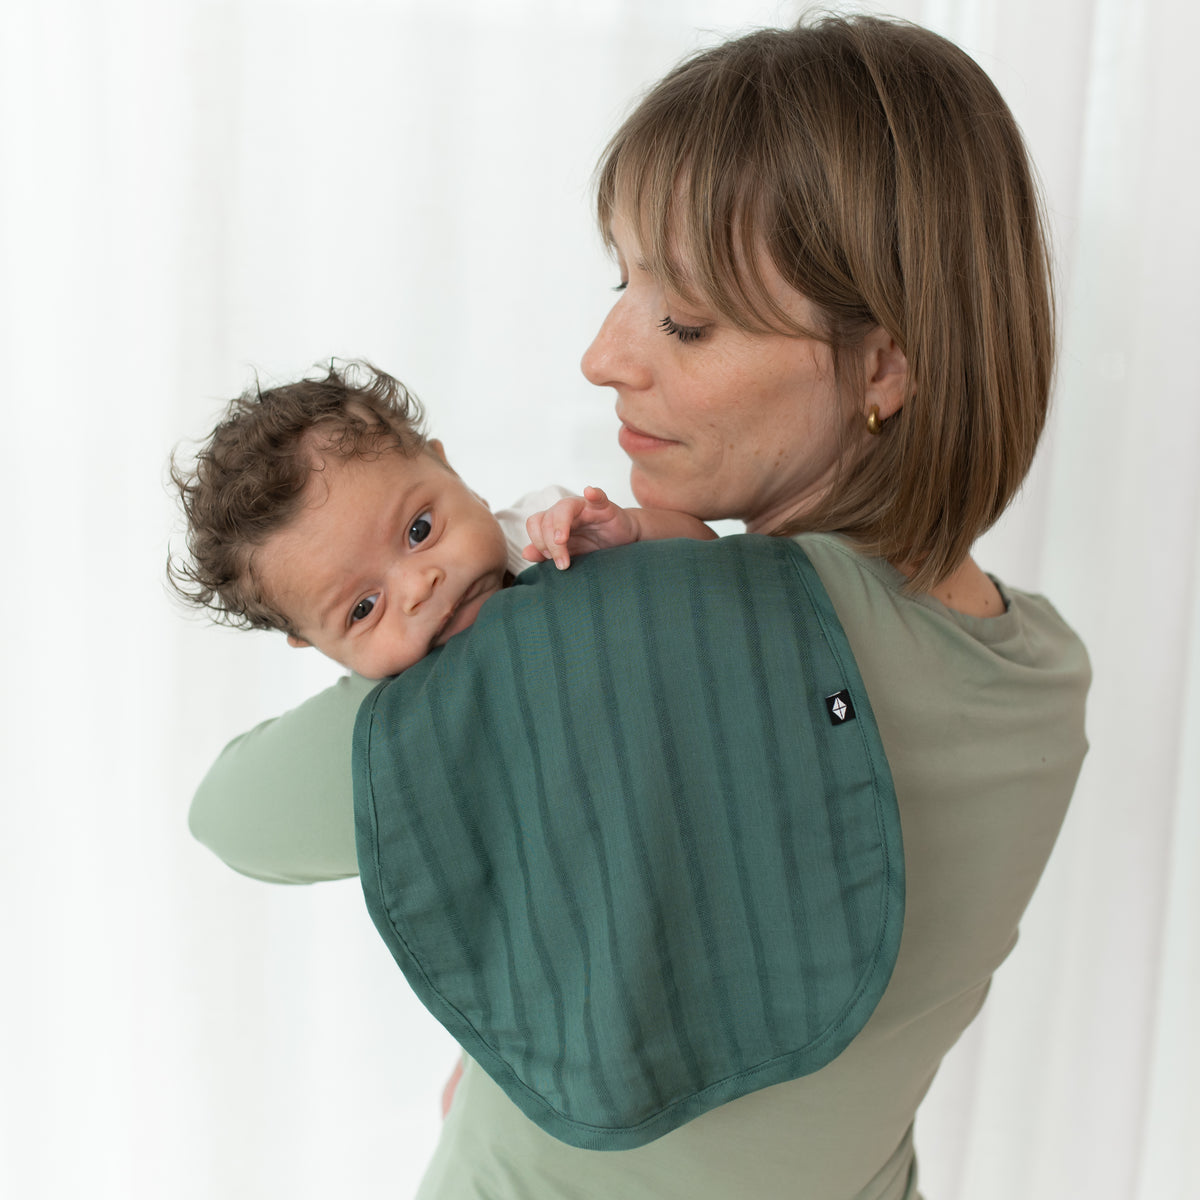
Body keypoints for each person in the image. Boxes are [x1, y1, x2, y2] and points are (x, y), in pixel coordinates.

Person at [186, 13, 1091, 1198]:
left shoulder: (624, 630)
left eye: (686, 321)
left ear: (883, 366)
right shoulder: (1045, 673)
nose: (605, 357)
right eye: (627, 285)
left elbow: (238, 815)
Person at [169, 360, 713, 681]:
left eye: (419, 531)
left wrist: (635, 536)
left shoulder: (546, 532)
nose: (418, 587)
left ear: (450, 471)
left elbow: (714, 564)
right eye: (363, 608)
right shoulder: (390, 719)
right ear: (313, 643)